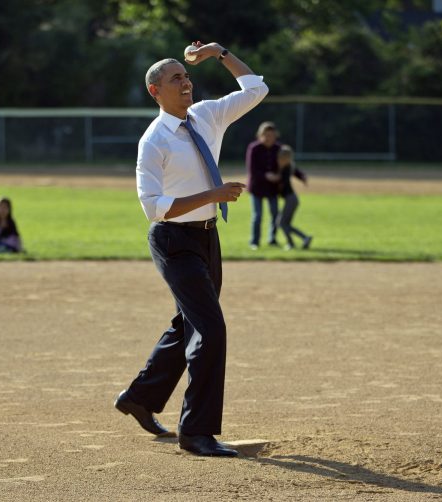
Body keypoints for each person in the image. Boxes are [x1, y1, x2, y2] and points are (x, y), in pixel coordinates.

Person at [116, 41, 268, 457]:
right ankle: (196, 433)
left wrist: (221, 53)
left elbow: (256, 89)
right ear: (155, 92)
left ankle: (141, 398)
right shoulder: (153, 142)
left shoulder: (207, 115)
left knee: (189, 324)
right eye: (175, 79)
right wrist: (212, 194)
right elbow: (154, 208)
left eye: (185, 76)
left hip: (205, 236)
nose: (186, 82)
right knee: (210, 329)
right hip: (173, 241)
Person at [245, 122, 281, 250]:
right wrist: (267, 176)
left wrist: (279, 176)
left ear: (275, 136)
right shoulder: (254, 148)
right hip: (257, 188)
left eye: (271, 135)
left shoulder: (278, 149)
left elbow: (284, 167)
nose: (268, 138)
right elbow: (252, 170)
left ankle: (272, 239)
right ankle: (254, 242)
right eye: (265, 135)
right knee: (258, 216)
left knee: (276, 214)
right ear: (260, 135)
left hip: (272, 188)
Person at [275, 145, 312, 250]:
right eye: (279, 158)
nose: (280, 161)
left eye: (282, 159)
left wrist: (275, 178)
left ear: (287, 159)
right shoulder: (285, 168)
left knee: (281, 223)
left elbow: (282, 183)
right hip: (291, 199)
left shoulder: (286, 169)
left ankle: (292, 243)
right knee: (285, 224)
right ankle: (304, 238)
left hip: (291, 199)